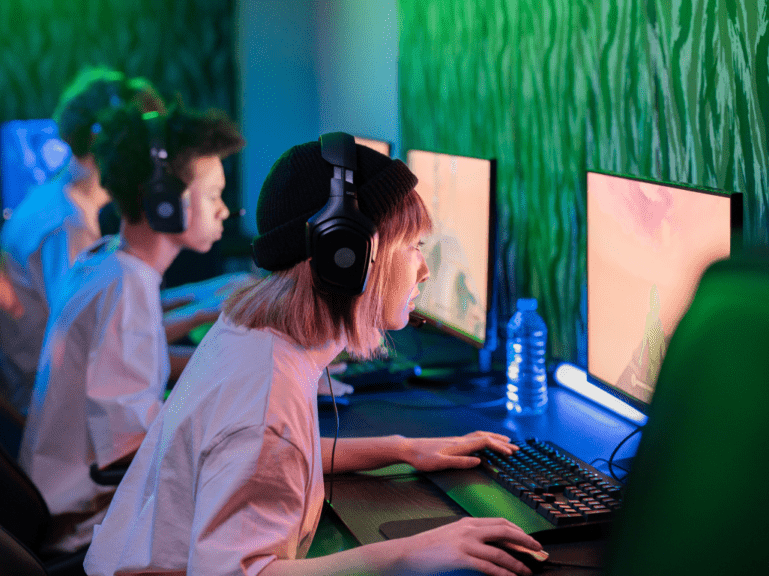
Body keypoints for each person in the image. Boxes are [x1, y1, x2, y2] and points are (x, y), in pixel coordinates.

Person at [83, 136, 543, 576]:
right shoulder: (267, 398)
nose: (424, 270)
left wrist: (402, 450)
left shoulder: (252, 334)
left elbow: (277, 455)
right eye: (413, 247)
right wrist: (412, 553)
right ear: (347, 256)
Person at [17, 103, 245, 553]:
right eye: (213, 194)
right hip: (90, 526)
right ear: (164, 201)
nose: (224, 210)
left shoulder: (104, 261)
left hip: (72, 506)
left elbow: (140, 369)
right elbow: (127, 449)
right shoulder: (127, 287)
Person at [0, 67, 166, 414]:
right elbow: (93, 341)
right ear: (108, 140)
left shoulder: (61, 202)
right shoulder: (66, 224)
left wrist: (200, 302)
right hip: (48, 412)